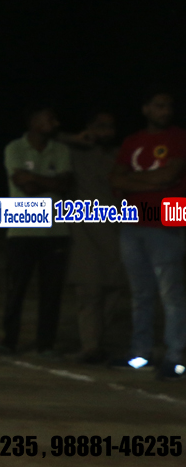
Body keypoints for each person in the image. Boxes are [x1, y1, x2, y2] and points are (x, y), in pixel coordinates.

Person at [109, 90, 186, 381]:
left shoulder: (179, 137)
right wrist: (151, 184)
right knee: (141, 293)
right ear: (146, 109)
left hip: (169, 218)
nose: (165, 111)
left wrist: (132, 181)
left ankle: (175, 357)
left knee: (171, 293)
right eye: (159, 106)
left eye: (169, 106)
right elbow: (114, 178)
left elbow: (168, 176)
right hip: (134, 221)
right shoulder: (133, 141)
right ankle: (140, 354)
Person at [0, 105, 73, 357]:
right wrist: (51, 183)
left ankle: (46, 344)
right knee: (16, 289)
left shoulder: (61, 150)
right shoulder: (14, 148)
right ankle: (8, 341)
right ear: (33, 121)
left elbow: (64, 185)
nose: (55, 123)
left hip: (56, 230)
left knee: (51, 292)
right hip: (21, 228)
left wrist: (33, 178)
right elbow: (25, 186)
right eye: (49, 118)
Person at [60, 111, 128, 364]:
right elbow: (46, 137)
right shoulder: (74, 153)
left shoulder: (120, 155)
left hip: (117, 231)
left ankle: (96, 344)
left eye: (109, 126)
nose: (105, 131)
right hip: (85, 234)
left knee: (113, 289)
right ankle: (90, 346)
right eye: (100, 126)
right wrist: (76, 138)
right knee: (88, 290)